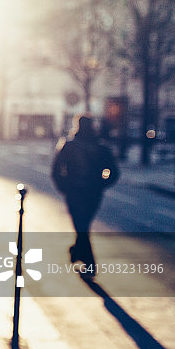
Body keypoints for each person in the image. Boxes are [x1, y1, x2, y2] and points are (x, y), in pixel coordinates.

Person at [51, 115, 120, 276]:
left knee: (81, 227)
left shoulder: (68, 146)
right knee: (83, 226)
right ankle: (77, 253)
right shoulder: (102, 147)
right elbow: (113, 172)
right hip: (93, 194)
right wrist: (101, 184)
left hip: (74, 192)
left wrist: (64, 187)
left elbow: (56, 170)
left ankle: (87, 262)